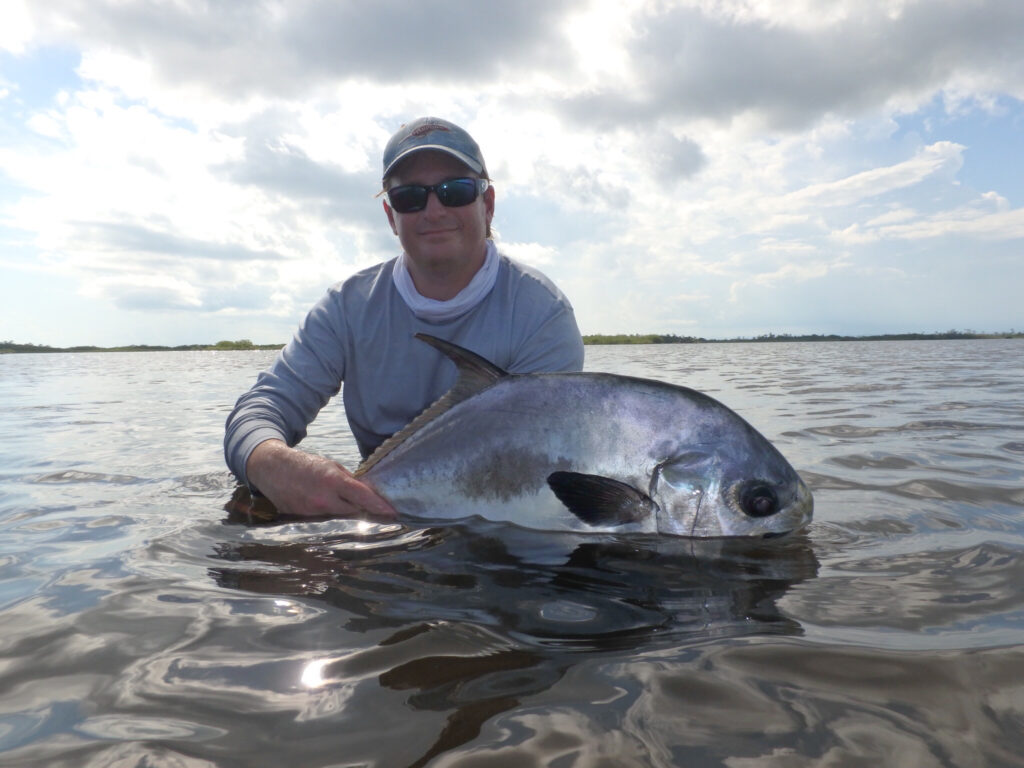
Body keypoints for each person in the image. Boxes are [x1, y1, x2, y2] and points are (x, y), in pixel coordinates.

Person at [224, 117, 585, 520]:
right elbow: (261, 409)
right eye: (410, 197)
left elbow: (532, 471)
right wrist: (271, 463)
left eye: (455, 191)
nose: (434, 210)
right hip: (375, 514)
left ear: (488, 205)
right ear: (390, 215)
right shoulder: (345, 307)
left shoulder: (542, 315)